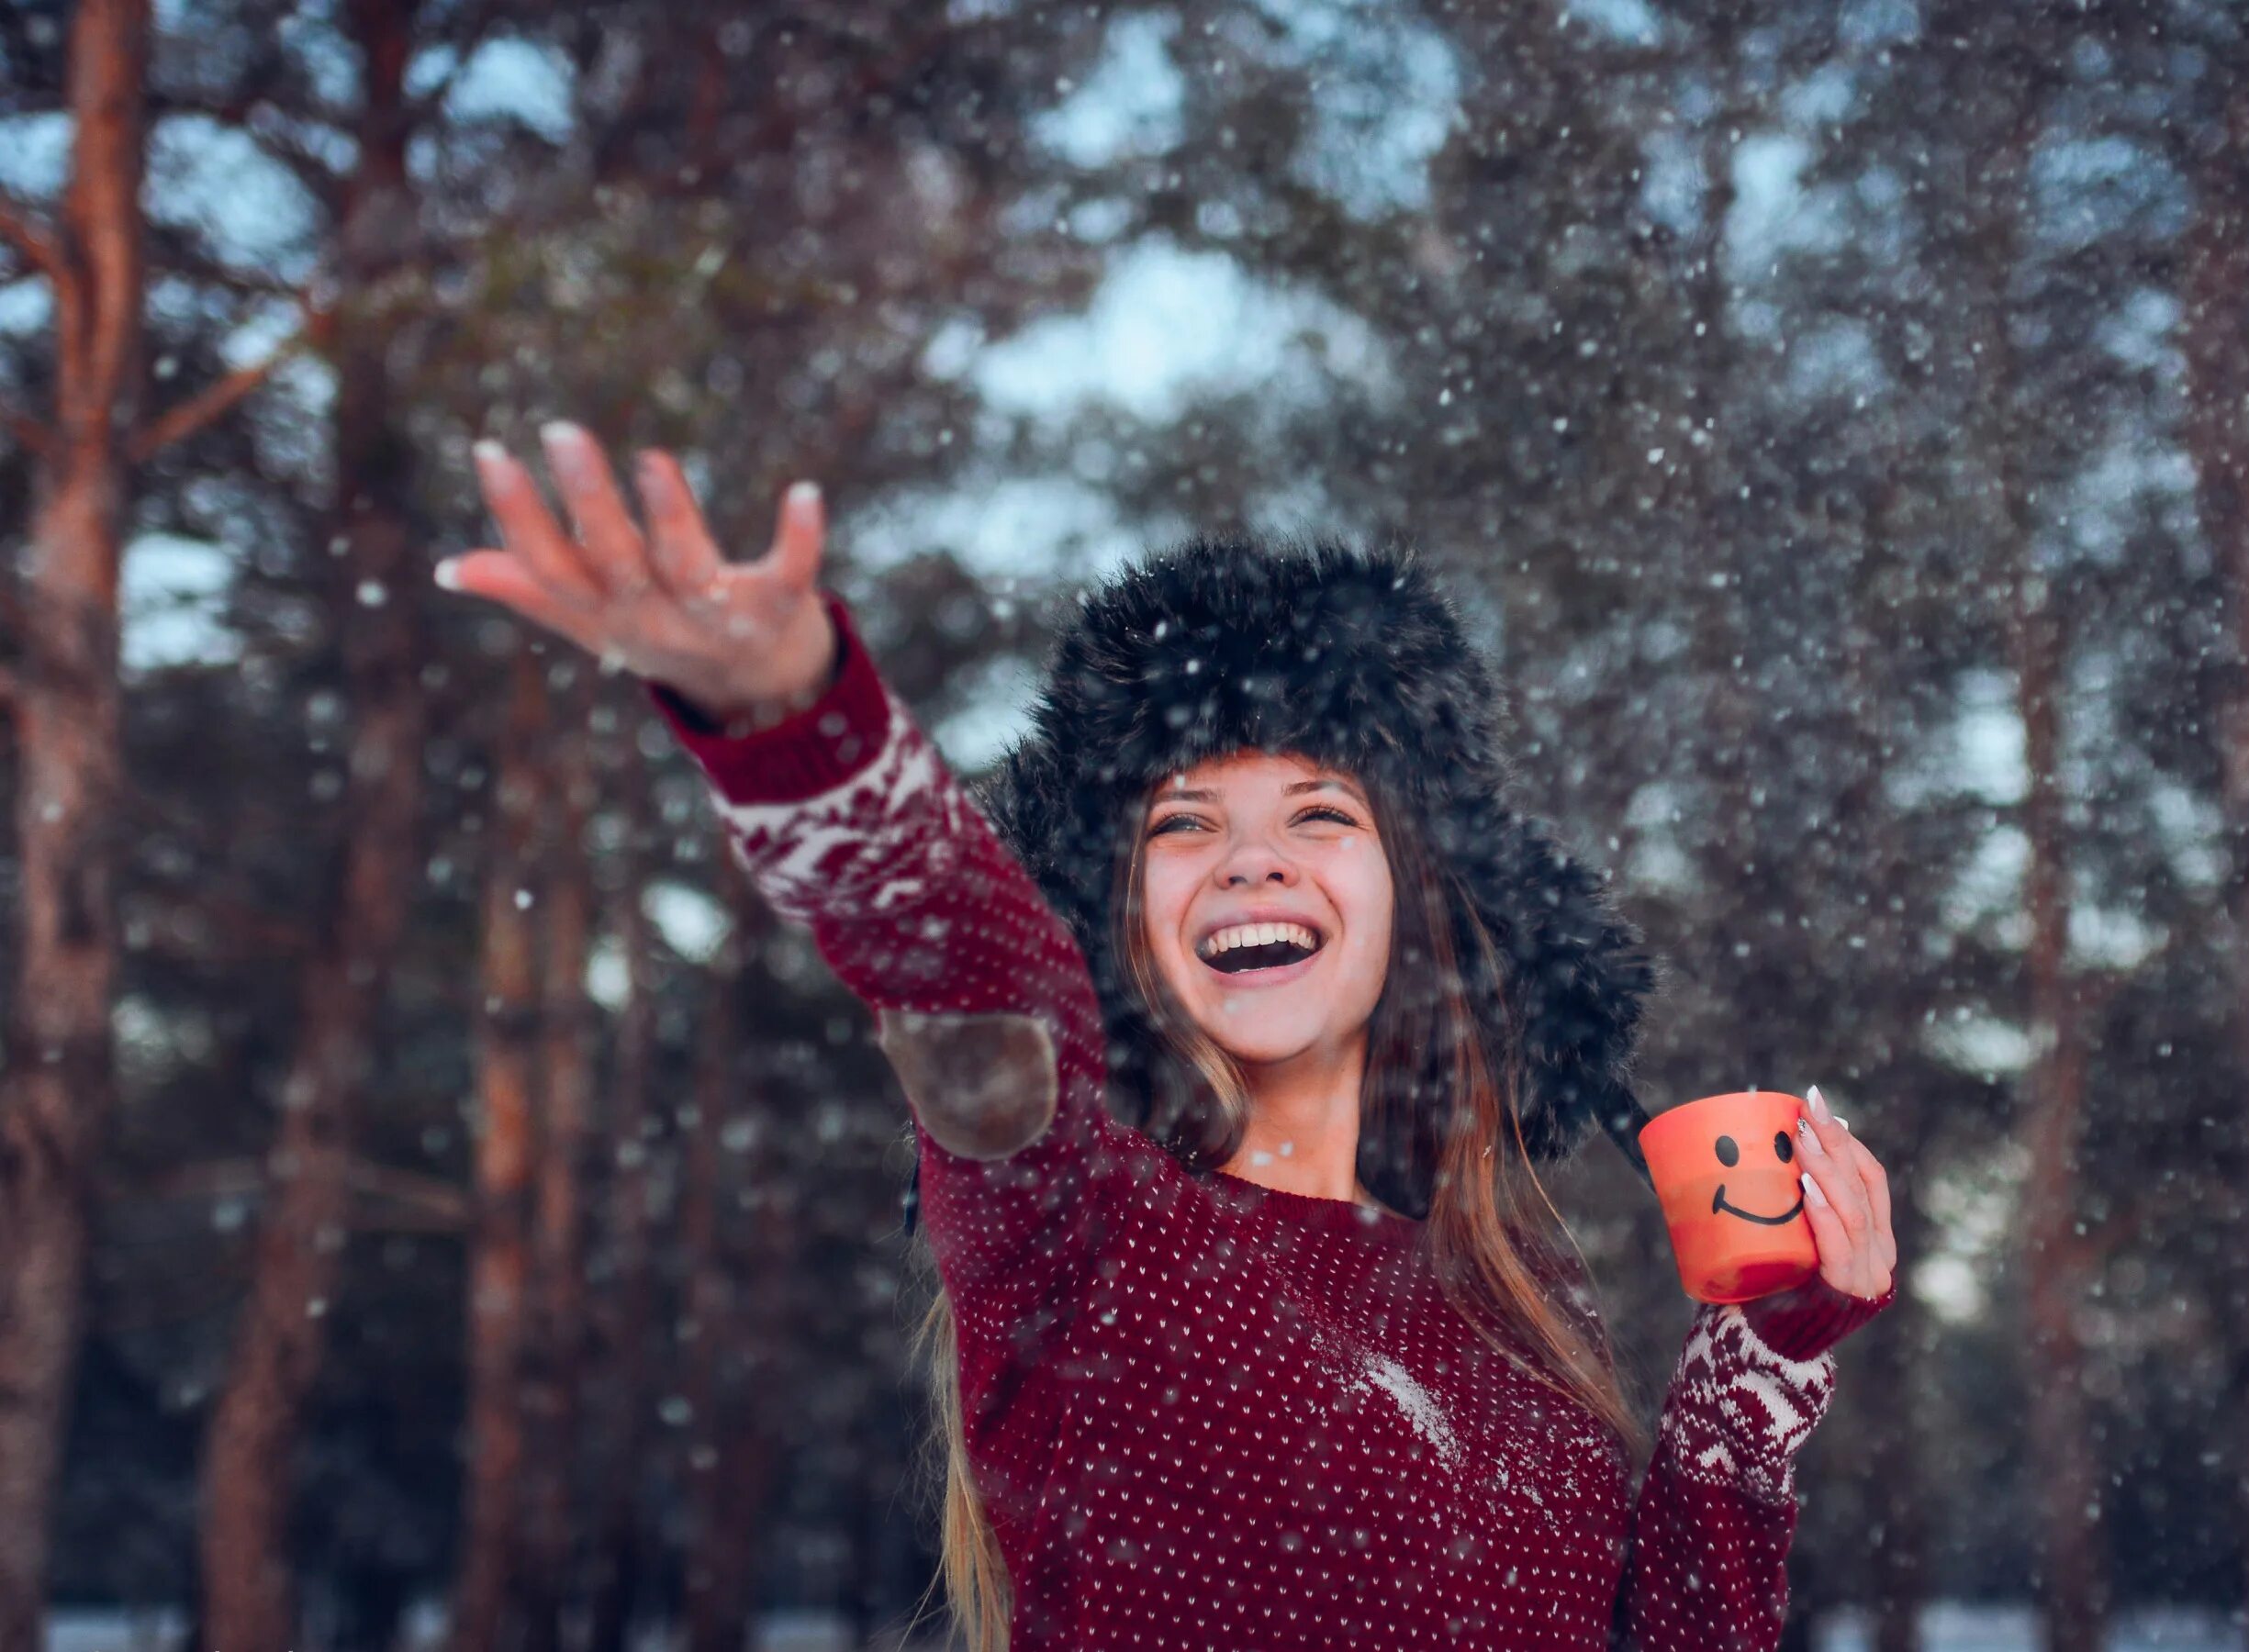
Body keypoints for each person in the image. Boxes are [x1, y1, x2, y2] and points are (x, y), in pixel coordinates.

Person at [437, 422, 1900, 1652]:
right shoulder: (1072, 1220)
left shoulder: (1517, 1294)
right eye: (1184, 826)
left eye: (1320, 814)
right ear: (1120, 917)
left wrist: (1760, 1370)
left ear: (1416, 900)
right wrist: (796, 721)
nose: (1252, 862)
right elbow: (972, 982)